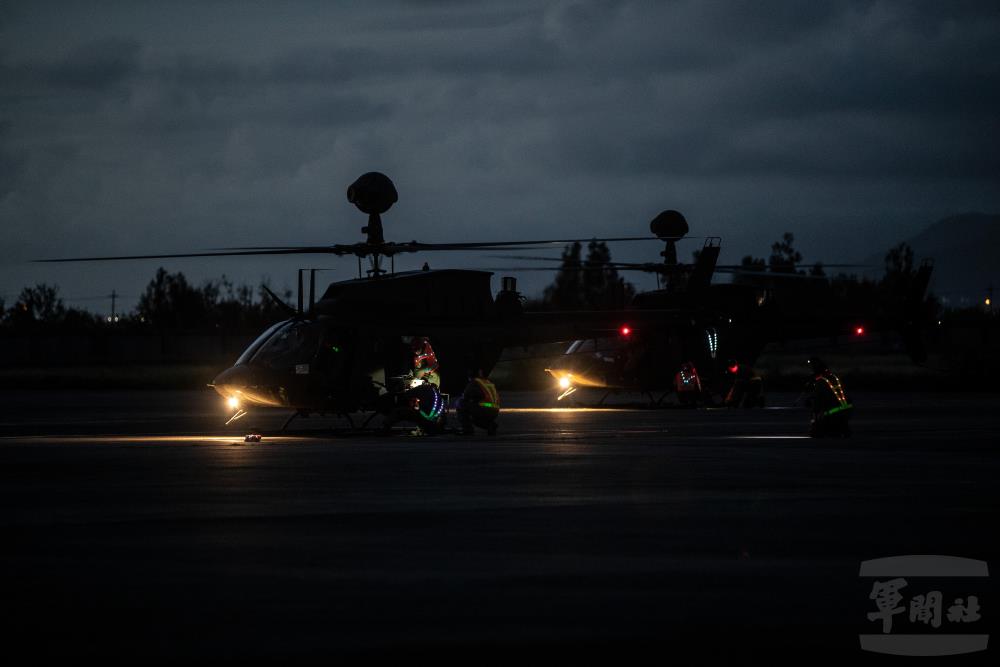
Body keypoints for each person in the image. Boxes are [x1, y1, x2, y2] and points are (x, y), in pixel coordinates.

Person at [805, 356, 852, 437]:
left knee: (816, 430)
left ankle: (823, 427)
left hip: (833, 413)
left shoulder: (821, 382)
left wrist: (810, 401)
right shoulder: (835, 378)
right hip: (846, 410)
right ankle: (840, 427)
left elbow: (817, 402)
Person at [458, 369, 500, 435]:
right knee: (476, 419)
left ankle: (467, 429)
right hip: (495, 411)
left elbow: (466, 395)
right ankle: (490, 425)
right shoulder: (487, 382)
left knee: (461, 404)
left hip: (484, 410)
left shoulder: (474, 382)